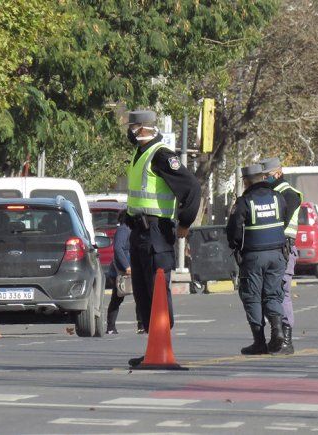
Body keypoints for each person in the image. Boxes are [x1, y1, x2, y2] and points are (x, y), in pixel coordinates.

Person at [124, 110, 201, 367]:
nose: (129, 131)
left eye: (132, 126)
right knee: (143, 292)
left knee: (156, 288)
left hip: (156, 232)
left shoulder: (161, 155)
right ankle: (152, 348)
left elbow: (191, 187)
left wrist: (185, 222)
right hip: (140, 231)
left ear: (144, 128)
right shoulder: (140, 153)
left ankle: (162, 347)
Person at [226, 164, 290, 356]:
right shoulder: (278, 197)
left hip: (253, 256)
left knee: (252, 296)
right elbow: (284, 220)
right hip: (278, 254)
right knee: (273, 294)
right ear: (262, 178)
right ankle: (277, 331)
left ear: (246, 181)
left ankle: (259, 342)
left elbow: (234, 229)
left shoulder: (244, 201)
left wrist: (236, 246)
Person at [260, 157, 302, 355]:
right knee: (268, 293)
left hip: (283, 248)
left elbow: (281, 222)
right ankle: (275, 336)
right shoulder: (267, 194)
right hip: (268, 248)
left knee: (281, 292)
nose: (264, 179)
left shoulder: (289, 194)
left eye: (267, 175)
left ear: (278, 173)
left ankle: (286, 339)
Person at [105, 210, 142, 335]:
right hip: (121, 271)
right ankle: (110, 327)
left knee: (139, 298)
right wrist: (126, 266)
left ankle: (141, 325)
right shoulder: (123, 229)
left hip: (132, 269)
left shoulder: (132, 230)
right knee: (117, 298)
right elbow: (118, 248)